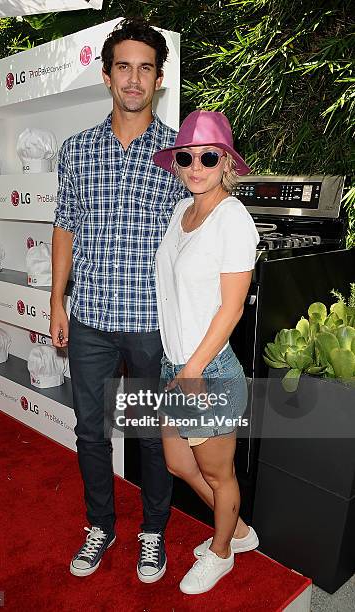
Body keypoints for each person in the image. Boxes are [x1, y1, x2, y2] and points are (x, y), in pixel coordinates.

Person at [50, 19, 187, 582]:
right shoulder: (77, 149)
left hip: (154, 324)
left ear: (158, 79)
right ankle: (100, 526)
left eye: (146, 68)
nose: (134, 78)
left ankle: (153, 532)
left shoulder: (182, 153)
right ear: (107, 76)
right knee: (90, 431)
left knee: (153, 434)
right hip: (89, 321)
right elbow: (65, 225)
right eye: (124, 67)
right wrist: (57, 301)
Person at [153, 110, 260, 595]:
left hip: (206, 370)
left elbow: (232, 309)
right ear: (176, 162)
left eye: (208, 156)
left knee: (220, 475)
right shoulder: (181, 212)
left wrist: (194, 369)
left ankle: (221, 553)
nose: (196, 166)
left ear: (226, 164)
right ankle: (236, 530)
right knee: (178, 463)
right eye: (186, 157)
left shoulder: (233, 218)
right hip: (175, 364)